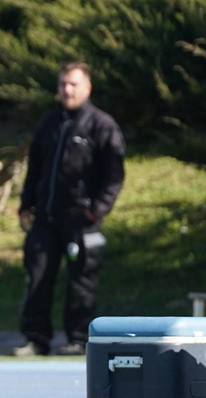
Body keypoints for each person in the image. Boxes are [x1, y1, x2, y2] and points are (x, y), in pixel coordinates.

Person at [14, 61, 124, 357]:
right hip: (46, 218)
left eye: (73, 84)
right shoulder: (50, 124)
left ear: (87, 88)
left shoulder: (101, 125)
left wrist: (96, 210)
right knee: (36, 276)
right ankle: (36, 338)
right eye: (63, 84)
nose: (67, 90)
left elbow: (114, 174)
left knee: (82, 281)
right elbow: (34, 169)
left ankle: (78, 338)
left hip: (81, 220)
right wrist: (26, 205)